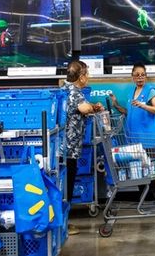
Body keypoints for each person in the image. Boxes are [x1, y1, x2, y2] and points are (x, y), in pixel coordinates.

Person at [60, 60, 104, 235]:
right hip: (69, 149)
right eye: (87, 73)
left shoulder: (64, 89)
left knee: (64, 185)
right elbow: (84, 108)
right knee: (67, 186)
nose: (88, 77)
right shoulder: (74, 92)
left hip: (64, 147)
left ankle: (63, 222)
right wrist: (95, 107)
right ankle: (64, 224)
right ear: (81, 77)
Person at [109, 63, 155, 199]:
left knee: (148, 171)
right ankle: (143, 199)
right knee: (138, 171)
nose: (140, 78)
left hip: (148, 140)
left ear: (146, 76)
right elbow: (129, 112)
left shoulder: (150, 91)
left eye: (142, 75)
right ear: (132, 77)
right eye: (137, 75)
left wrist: (143, 105)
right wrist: (116, 105)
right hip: (134, 140)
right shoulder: (132, 92)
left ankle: (151, 199)